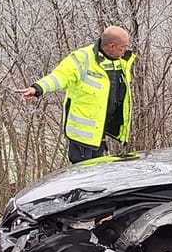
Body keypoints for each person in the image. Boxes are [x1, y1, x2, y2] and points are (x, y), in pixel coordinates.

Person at [17, 25, 137, 164]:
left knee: (98, 177)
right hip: (82, 136)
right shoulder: (82, 59)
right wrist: (37, 88)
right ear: (111, 46)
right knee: (83, 178)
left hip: (99, 133)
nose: (126, 50)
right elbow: (59, 77)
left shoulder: (120, 62)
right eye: (123, 47)